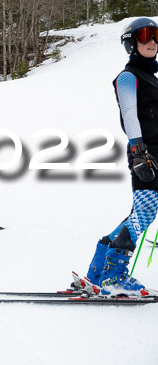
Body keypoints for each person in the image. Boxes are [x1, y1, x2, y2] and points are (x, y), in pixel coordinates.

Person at [78, 18, 158, 297]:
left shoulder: (151, 78)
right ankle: (114, 277)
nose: (151, 41)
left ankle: (98, 271)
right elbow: (130, 114)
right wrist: (138, 151)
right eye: (144, 36)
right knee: (145, 212)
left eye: (156, 36)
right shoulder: (128, 76)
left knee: (140, 213)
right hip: (145, 152)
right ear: (131, 43)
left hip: (153, 150)